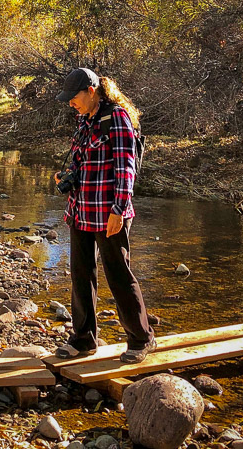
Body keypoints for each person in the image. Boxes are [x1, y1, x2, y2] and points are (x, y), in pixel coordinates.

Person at [53, 68, 156, 363]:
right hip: (80, 210)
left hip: (109, 212)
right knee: (81, 275)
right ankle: (84, 340)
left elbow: (126, 169)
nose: (70, 102)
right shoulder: (84, 120)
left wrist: (119, 210)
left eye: (74, 97)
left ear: (91, 90)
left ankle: (141, 338)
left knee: (119, 274)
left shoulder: (117, 118)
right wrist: (67, 176)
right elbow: (82, 161)